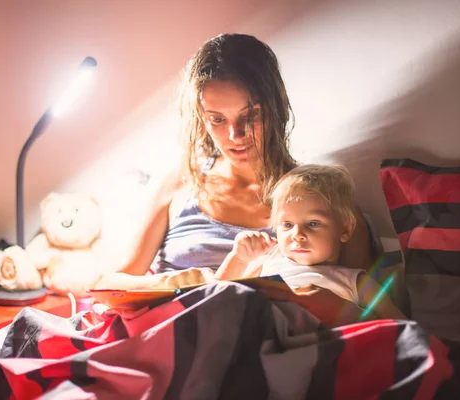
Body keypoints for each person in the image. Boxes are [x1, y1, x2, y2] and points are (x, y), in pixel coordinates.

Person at [95, 33, 374, 292]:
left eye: (250, 116)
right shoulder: (183, 181)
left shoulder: (320, 197)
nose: (235, 136)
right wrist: (170, 283)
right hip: (171, 324)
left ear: (275, 109)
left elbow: (367, 300)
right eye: (217, 119)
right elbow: (108, 284)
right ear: (202, 118)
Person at [215, 164, 406, 322]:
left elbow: (400, 328)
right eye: (287, 224)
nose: (297, 235)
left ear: (345, 229)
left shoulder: (356, 282)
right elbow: (216, 297)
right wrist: (238, 258)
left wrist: (344, 312)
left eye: (313, 224)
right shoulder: (267, 262)